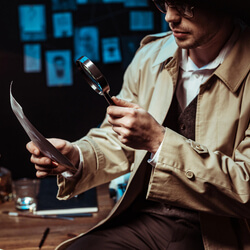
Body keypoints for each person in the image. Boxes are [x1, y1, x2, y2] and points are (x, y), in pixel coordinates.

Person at [27, 0, 250, 249]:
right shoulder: (150, 55)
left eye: (186, 6)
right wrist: (77, 156)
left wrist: (159, 141)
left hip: (221, 234)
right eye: (164, 3)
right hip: (147, 221)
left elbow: (246, 187)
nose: (170, 17)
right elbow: (118, 139)